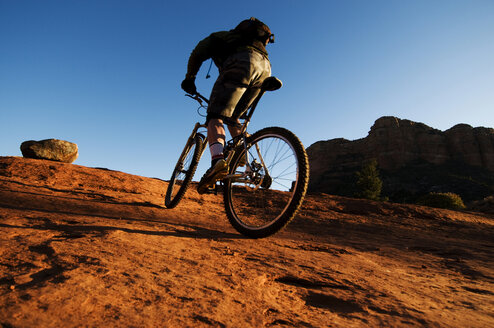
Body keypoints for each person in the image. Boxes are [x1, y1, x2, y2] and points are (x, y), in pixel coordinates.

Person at [181, 17, 274, 194]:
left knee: (215, 116)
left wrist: (189, 78)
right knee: (233, 118)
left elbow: (197, 54)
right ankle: (243, 158)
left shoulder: (220, 37)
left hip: (243, 62)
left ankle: (218, 162)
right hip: (265, 68)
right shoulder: (253, 43)